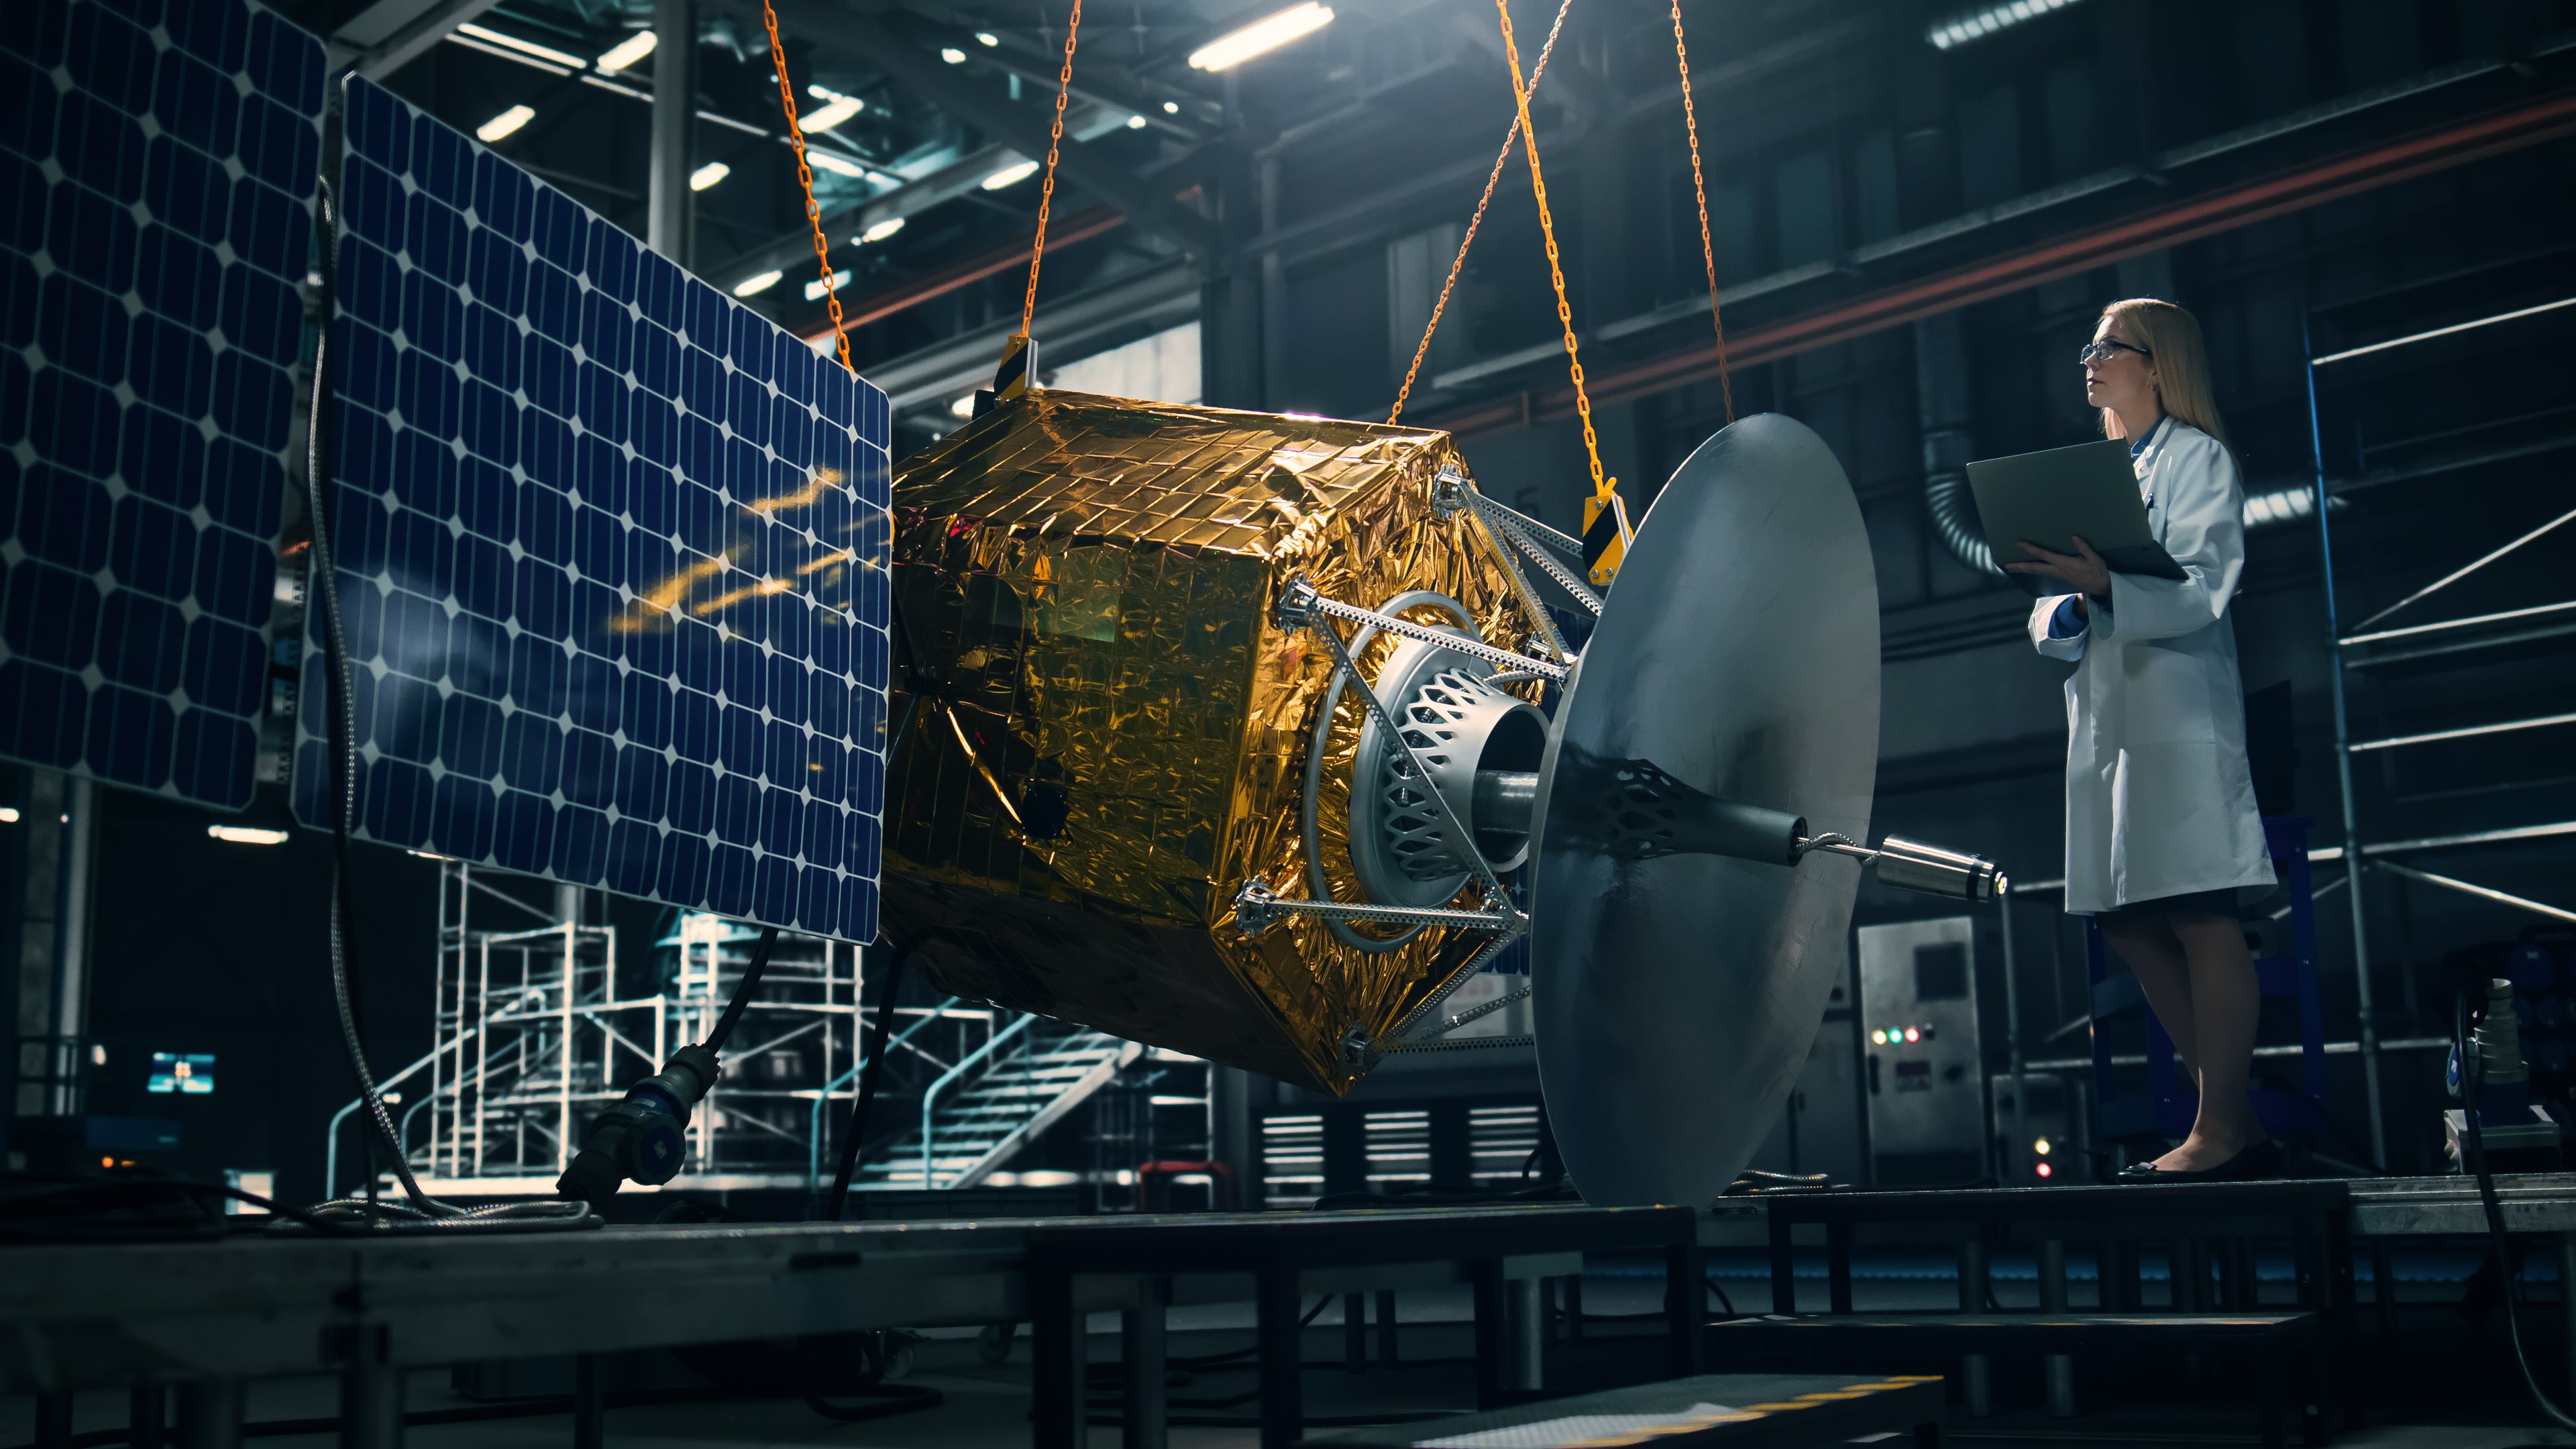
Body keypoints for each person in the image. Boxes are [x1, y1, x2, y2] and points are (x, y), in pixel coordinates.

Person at [2008, 298, 2281, 1182]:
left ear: (2159, 365)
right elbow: (2056, 613)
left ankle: (2219, 1129)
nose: (2090, 360)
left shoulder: (2199, 459)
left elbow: (2206, 586)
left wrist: (2111, 585)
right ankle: (2229, 1113)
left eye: (2109, 348)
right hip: (2109, 717)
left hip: (2178, 712)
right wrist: (2072, 597)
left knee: (2203, 910)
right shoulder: (2103, 469)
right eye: (2087, 347)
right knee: (2126, 920)